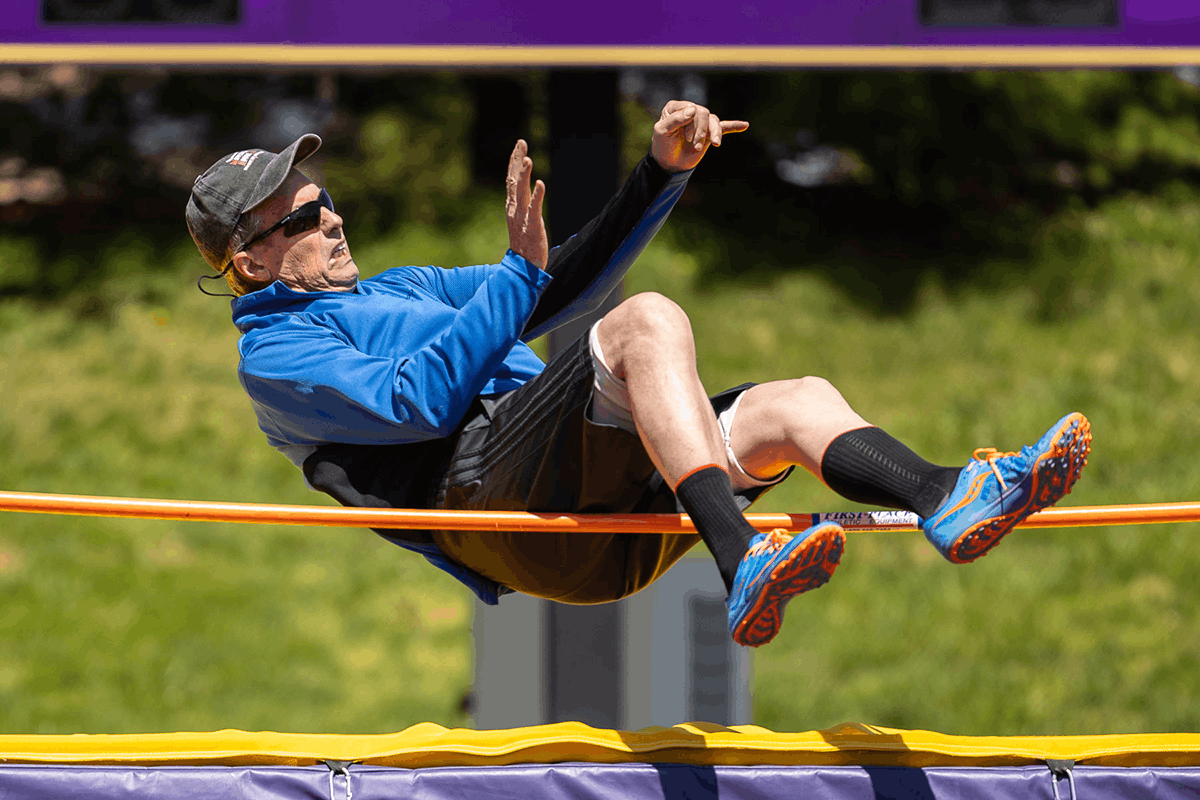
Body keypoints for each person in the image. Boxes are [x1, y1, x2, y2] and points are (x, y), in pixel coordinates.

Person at [185, 100, 1091, 648]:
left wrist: (659, 172)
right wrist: (514, 277)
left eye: (324, 199)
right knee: (649, 323)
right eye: (300, 216)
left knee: (793, 403)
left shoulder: (406, 286)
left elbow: (560, 282)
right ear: (252, 262)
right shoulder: (273, 357)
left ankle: (946, 497)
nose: (331, 217)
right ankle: (743, 559)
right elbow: (419, 400)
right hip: (496, 507)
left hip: (588, 506)